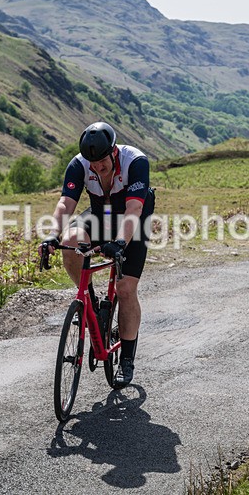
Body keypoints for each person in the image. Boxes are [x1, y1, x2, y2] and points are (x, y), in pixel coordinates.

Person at [41, 122, 155, 388]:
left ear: (114, 152)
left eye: (102, 161)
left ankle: (126, 359)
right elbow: (65, 203)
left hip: (133, 219)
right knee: (70, 240)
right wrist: (52, 235)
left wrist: (119, 243)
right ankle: (90, 304)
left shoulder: (135, 162)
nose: (97, 167)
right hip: (101, 214)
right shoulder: (80, 164)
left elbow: (134, 210)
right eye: (92, 163)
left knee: (125, 288)